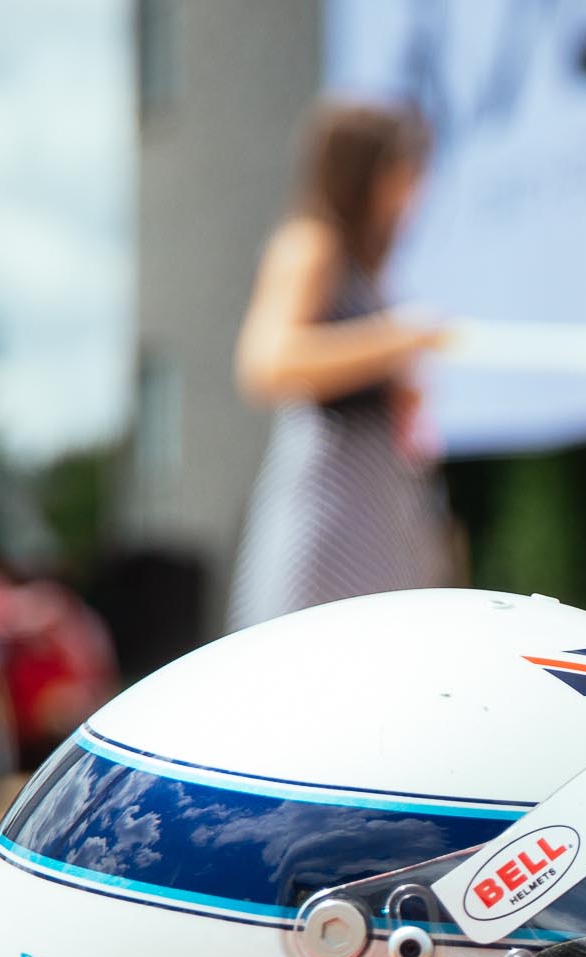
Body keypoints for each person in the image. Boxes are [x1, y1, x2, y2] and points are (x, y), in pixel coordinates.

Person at [227, 102, 451, 628]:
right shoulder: (312, 244)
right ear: (369, 171)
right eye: (406, 170)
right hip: (333, 505)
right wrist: (395, 342)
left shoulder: (362, 264)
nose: (415, 192)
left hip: (374, 501)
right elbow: (266, 363)